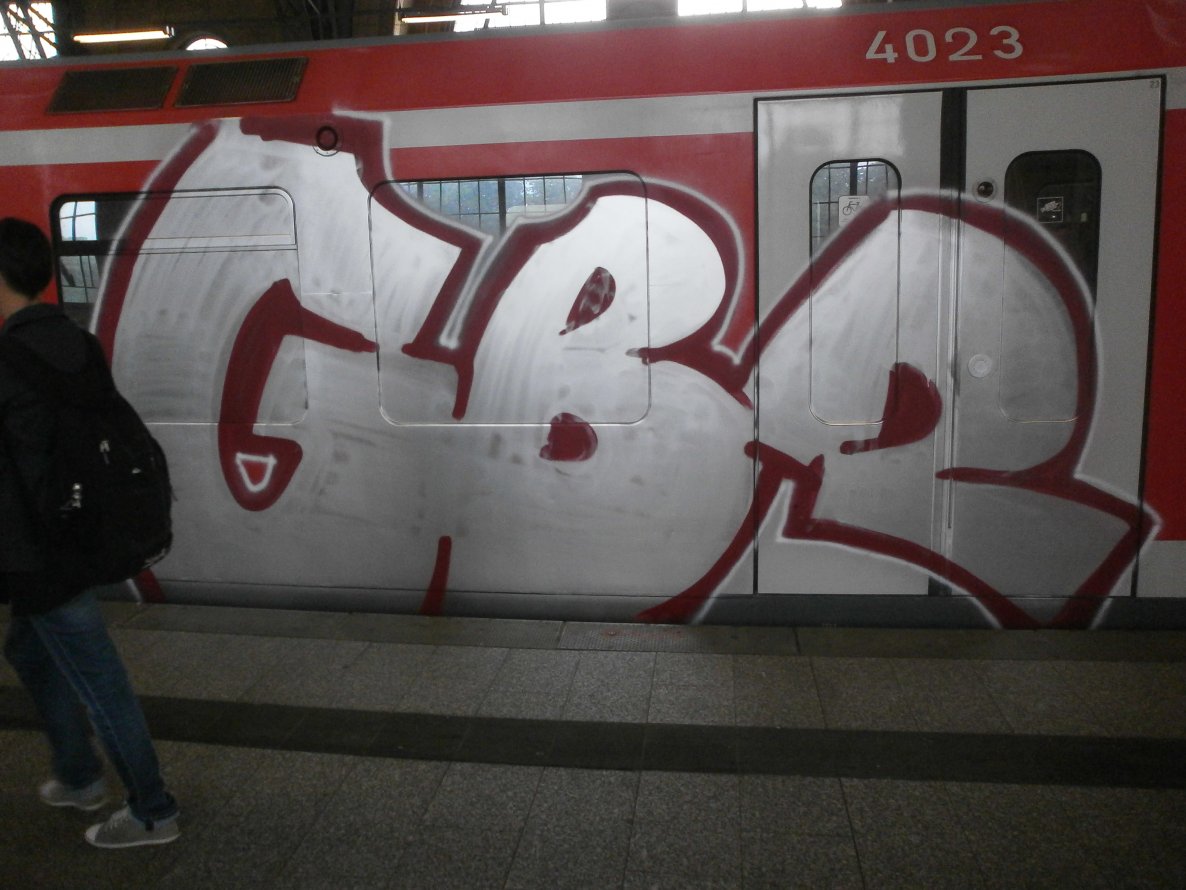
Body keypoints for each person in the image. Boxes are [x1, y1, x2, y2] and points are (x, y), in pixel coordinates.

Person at [0, 217, 179, 849]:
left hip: (40, 554)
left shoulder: (7, 359)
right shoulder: (78, 342)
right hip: (82, 535)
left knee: (99, 683)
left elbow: (21, 467)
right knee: (27, 650)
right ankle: (77, 773)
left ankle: (152, 810)